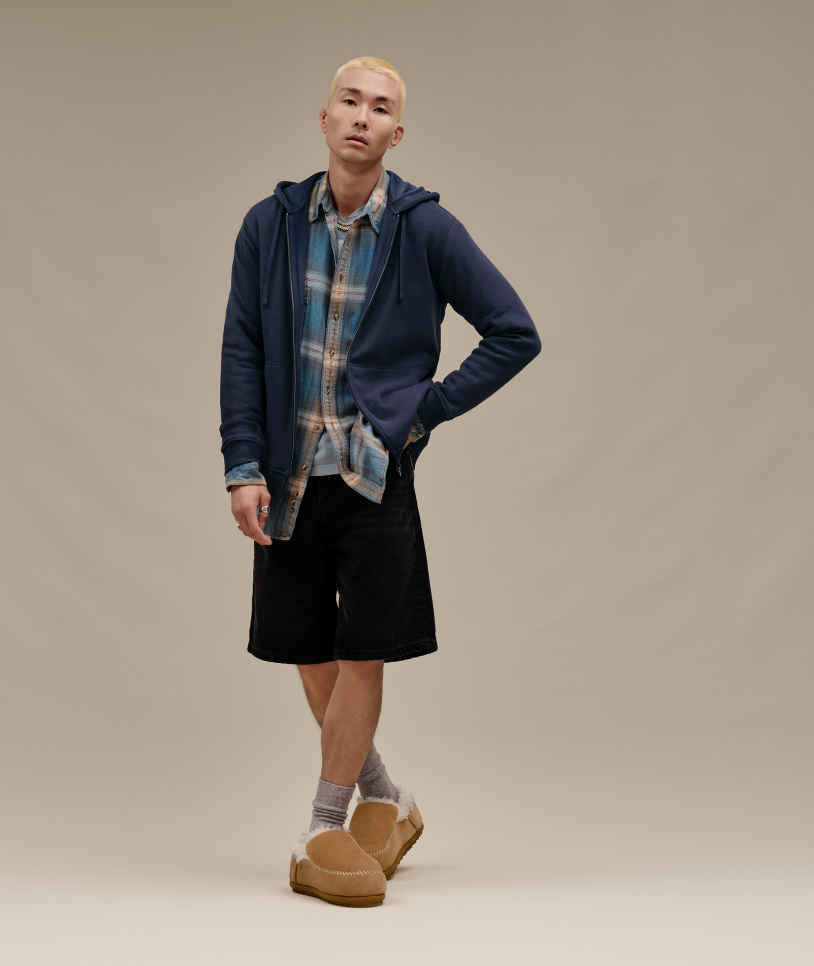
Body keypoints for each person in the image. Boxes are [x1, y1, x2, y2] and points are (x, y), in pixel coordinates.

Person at [218, 56, 541, 906]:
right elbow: (243, 346)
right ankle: (386, 801)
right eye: (350, 101)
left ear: (397, 134)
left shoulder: (424, 229)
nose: (363, 116)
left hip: (372, 473)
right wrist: (241, 465)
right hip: (287, 473)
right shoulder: (269, 225)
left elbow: (513, 332)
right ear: (324, 118)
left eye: (381, 107)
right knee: (305, 645)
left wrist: (419, 414)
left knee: (363, 649)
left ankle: (323, 826)